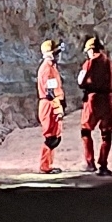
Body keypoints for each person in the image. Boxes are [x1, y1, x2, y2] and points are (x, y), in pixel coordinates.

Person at [78, 36, 112, 174]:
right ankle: (103, 164)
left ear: (91, 50)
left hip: (94, 99)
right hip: (109, 100)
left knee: (85, 130)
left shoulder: (90, 63)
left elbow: (81, 81)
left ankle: (90, 162)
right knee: (106, 133)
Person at [36, 38, 65, 173]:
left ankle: (48, 164)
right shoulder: (47, 69)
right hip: (49, 106)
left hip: (50, 104)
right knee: (51, 138)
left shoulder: (51, 67)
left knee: (54, 137)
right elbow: (50, 92)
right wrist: (58, 108)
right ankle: (45, 166)